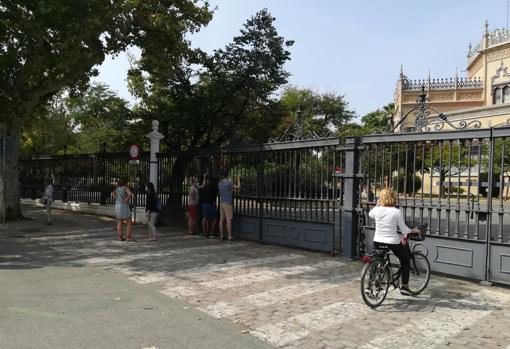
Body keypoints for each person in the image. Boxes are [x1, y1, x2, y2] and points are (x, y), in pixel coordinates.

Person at [369, 188, 418, 296]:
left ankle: (369, 286)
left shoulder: (377, 210)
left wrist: (377, 204)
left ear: (381, 198)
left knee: (377, 261)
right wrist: (413, 230)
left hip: (377, 240)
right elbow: (404, 230)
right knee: (405, 260)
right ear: (393, 197)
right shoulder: (396, 212)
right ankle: (404, 287)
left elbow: (370, 215)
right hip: (392, 242)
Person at [218, 170, 240, 241]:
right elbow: (238, 187)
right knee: (228, 220)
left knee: (221, 220)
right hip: (227, 203)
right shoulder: (229, 183)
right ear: (227, 176)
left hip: (221, 203)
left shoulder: (219, 183)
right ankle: (229, 236)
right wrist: (238, 179)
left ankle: (221, 235)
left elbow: (229, 188)